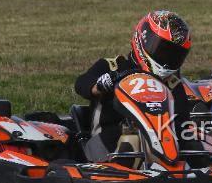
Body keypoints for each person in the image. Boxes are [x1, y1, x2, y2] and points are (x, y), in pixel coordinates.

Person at [74, 10, 193, 156]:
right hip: (109, 141)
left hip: (160, 143)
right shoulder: (112, 67)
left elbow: (183, 123)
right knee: (132, 140)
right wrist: (99, 86)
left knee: (193, 138)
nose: (167, 59)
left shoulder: (173, 84)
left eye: (174, 55)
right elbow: (80, 84)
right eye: (163, 51)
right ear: (143, 39)